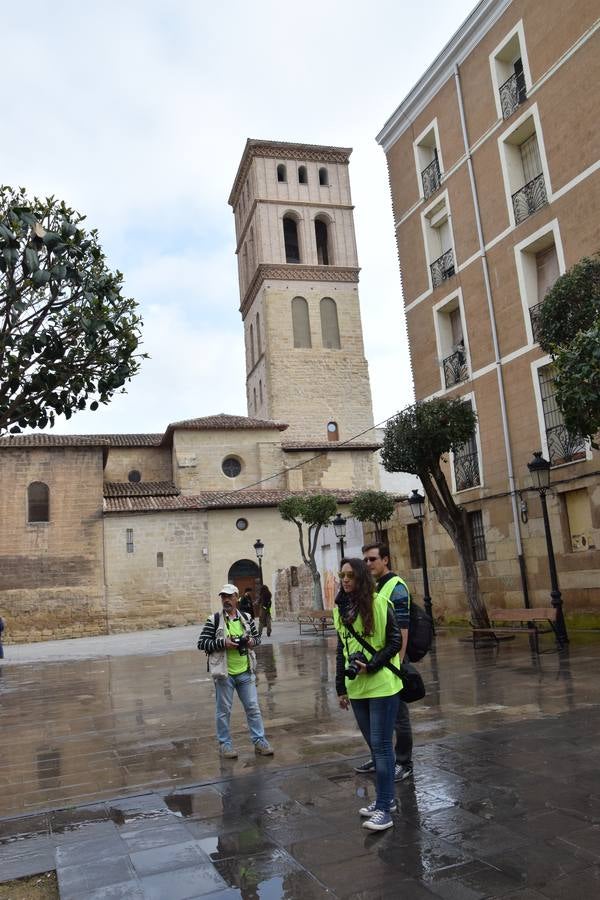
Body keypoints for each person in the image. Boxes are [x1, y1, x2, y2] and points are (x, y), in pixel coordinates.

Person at [334, 557, 402, 832]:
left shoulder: (379, 603)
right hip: (357, 687)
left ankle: (384, 808)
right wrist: (340, 687)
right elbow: (341, 649)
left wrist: (371, 665)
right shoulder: (339, 609)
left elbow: (395, 641)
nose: (345, 579)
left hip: (383, 684)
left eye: (350, 575)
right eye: (342, 575)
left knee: (382, 745)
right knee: (375, 747)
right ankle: (387, 798)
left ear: (362, 577)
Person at [354, 542, 414, 782]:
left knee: (398, 716)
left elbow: (403, 628)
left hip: (391, 661)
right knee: (377, 716)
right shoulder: (375, 586)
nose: (368, 564)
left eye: (372, 559)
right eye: (365, 560)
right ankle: (381, 757)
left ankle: (403, 761)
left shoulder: (396, 587)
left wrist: (398, 664)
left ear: (386, 560)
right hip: (374, 662)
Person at [197, 584, 274, 759]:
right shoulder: (214, 620)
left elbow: (257, 638)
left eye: (229, 596)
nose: (226, 600)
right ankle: (225, 745)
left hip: (245, 671)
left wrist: (250, 642)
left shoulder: (246, 618)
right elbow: (201, 643)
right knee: (223, 711)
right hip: (224, 674)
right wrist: (223, 643)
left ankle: (259, 741)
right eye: (223, 596)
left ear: (236, 598)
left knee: (253, 708)